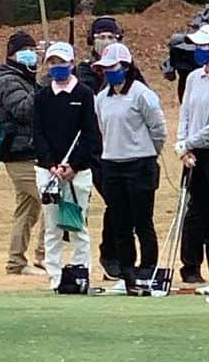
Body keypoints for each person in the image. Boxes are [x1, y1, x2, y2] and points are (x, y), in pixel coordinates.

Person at [93, 42, 166, 290]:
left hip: (140, 164)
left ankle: (147, 271)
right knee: (119, 221)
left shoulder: (142, 94)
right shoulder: (101, 98)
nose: (107, 72)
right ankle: (127, 273)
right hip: (112, 163)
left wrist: (147, 152)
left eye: (111, 67)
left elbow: (158, 130)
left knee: (142, 221)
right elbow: (103, 128)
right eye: (104, 68)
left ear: (125, 67)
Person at [32, 41, 100, 290]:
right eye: (52, 62)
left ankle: (81, 271)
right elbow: (38, 133)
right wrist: (51, 164)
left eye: (61, 62)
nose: (57, 67)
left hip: (77, 172)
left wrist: (74, 165)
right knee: (52, 226)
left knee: (77, 223)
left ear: (71, 64)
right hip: (48, 172)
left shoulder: (84, 94)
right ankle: (55, 276)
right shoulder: (42, 96)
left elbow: (90, 134)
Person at [174, 24, 209, 304]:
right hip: (194, 154)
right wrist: (183, 146)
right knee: (203, 216)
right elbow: (185, 113)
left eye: (203, 47)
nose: (198, 51)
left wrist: (189, 143)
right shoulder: (194, 77)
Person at [0, 31, 46, 278]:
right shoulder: (7, 80)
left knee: (28, 208)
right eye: (27, 50)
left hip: (30, 150)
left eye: (34, 50)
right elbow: (24, 110)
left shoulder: (26, 78)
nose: (32, 55)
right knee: (52, 200)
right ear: (13, 54)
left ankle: (16, 261)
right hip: (18, 152)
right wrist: (44, 83)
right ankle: (45, 256)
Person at [76, 15, 124, 280]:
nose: (105, 41)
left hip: (120, 145)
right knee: (111, 199)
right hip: (94, 149)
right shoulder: (85, 73)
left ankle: (114, 253)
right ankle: (107, 256)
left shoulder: (127, 71)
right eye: (100, 37)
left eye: (110, 37)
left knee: (121, 202)